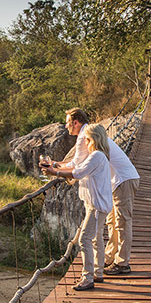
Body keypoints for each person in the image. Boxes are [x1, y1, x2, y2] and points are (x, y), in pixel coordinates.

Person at [51, 108, 140, 275]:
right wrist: (56, 165)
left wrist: (54, 168)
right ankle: (109, 257)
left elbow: (76, 167)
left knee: (122, 222)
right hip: (118, 181)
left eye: (68, 122)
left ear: (75, 123)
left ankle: (122, 263)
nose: (66, 125)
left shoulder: (86, 135)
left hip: (124, 179)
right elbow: (80, 164)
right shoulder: (89, 132)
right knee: (112, 222)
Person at [43, 124, 113, 291]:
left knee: (84, 239)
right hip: (98, 205)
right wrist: (56, 167)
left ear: (94, 140)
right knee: (95, 239)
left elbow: (77, 173)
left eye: (87, 140)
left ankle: (88, 278)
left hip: (96, 206)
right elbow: (78, 168)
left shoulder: (96, 156)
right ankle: (98, 272)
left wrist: (54, 173)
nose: (85, 143)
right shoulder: (99, 156)